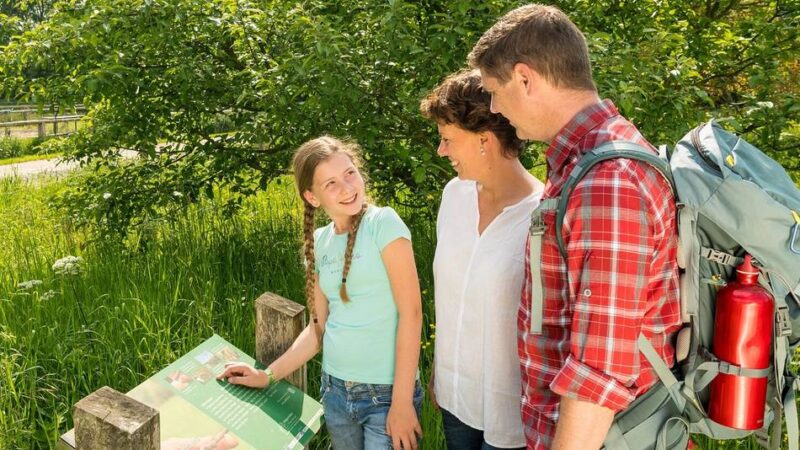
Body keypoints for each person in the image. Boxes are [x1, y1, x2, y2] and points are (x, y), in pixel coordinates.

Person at [468, 5, 681, 449]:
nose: (494, 108)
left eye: (494, 92)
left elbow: (599, 372)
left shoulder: (608, 182)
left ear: (525, 78)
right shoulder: (589, 159)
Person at [217, 136, 424, 450]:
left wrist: (402, 402)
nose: (347, 188)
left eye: (350, 173)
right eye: (331, 184)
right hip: (335, 392)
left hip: (386, 396)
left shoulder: (383, 224)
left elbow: (412, 314)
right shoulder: (319, 242)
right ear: (312, 197)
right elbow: (317, 330)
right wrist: (266, 376)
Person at [419, 69, 544, 449]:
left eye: (447, 140)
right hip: (454, 396)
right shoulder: (454, 196)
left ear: (484, 141)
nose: (441, 151)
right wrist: (440, 369)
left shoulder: (541, 215)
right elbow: (452, 298)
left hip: (511, 411)